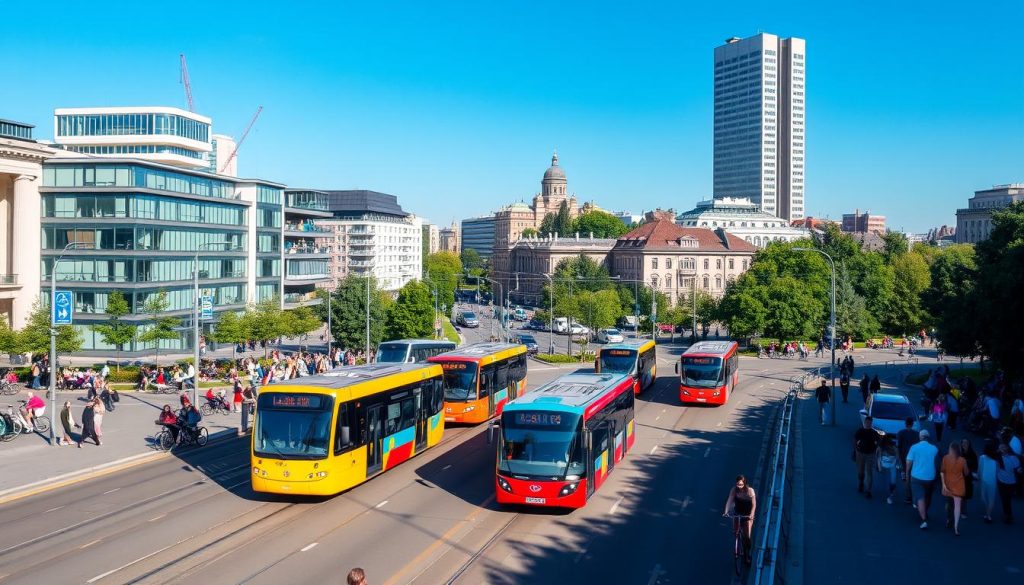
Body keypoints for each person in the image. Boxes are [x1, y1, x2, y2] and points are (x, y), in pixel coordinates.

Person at [906, 429, 938, 529]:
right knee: (928, 496)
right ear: (928, 438)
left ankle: (923, 519)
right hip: (930, 477)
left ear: (920, 437)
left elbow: (909, 462)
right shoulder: (934, 449)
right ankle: (925, 511)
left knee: (920, 497)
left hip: (916, 476)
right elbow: (938, 463)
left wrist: (907, 473)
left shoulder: (914, 447)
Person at [722, 474, 756, 565]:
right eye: (738, 484)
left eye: (741, 484)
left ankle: (747, 555)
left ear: (745, 483)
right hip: (738, 513)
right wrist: (726, 511)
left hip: (747, 515)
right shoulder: (734, 490)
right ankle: (738, 540)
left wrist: (751, 515)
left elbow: (753, 505)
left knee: (747, 537)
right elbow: (729, 500)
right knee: (736, 531)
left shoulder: (750, 491)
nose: (739, 486)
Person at [941, 442, 968, 535]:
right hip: (959, 486)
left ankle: (949, 519)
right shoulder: (962, 460)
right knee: (957, 506)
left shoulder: (945, 458)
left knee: (949, 504)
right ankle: (956, 527)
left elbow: (942, 471)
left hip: (948, 485)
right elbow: (966, 472)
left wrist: (943, 483)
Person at [854, 416, 881, 498]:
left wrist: (877, 448)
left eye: (869, 423)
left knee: (869, 472)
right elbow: (855, 441)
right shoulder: (860, 431)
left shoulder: (874, 433)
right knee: (861, 471)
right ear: (864, 423)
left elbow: (879, 442)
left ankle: (868, 490)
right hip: (860, 453)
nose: (868, 424)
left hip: (870, 454)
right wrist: (855, 450)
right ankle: (861, 482)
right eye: (867, 423)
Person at [995, 443, 1021, 524]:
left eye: (1003, 447)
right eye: (1000, 447)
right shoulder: (997, 457)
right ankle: (1007, 514)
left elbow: (1019, 469)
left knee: (1007, 499)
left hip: (1010, 483)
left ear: (1007, 448)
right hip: (1001, 481)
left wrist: (1020, 470)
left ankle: (1008, 515)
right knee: (1004, 498)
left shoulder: (1013, 458)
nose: (1002, 448)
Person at [897, 417, 919, 504]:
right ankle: (916, 496)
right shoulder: (917, 434)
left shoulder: (900, 433)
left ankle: (908, 496)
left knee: (907, 477)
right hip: (915, 458)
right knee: (914, 477)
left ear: (905, 424)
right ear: (912, 424)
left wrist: (899, 460)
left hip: (904, 458)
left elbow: (898, 446)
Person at [979, 440, 999, 523]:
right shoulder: (996, 460)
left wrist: (978, 477)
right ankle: (988, 515)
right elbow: (997, 471)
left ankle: (987, 511)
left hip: (984, 480)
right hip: (993, 482)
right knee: (991, 499)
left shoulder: (982, 457)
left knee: (983, 497)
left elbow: (979, 470)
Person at [878, 436, 900, 504]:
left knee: (890, 481)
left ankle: (890, 495)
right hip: (889, 466)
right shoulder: (881, 448)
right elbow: (879, 457)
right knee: (890, 481)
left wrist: (879, 467)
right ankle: (890, 495)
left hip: (889, 466)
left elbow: (897, 457)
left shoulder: (893, 448)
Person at [960, 438, 978, 519]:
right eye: (963, 443)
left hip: (967, 478)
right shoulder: (960, 453)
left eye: (966, 443)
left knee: (964, 496)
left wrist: (974, 479)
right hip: (959, 477)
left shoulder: (972, 454)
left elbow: (975, 467)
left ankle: (963, 511)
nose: (964, 444)